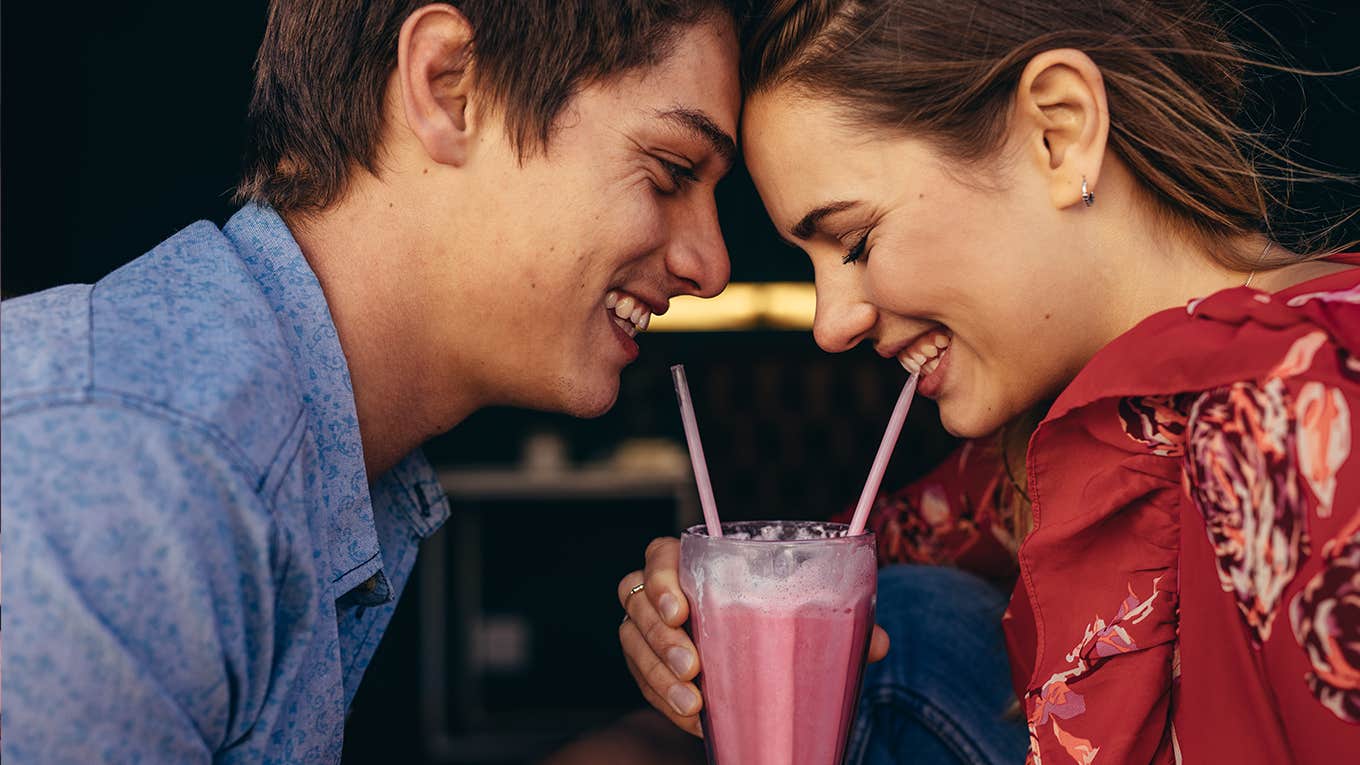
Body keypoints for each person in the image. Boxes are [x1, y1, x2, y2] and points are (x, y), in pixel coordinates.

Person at [605, 0, 1360, 763]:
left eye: (856, 240)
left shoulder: (1305, 411)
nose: (831, 325)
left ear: (1058, 133)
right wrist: (713, 594)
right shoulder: (1072, 434)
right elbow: (871, 546)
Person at [1, 1, 742, 761]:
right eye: (671, 170)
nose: (712, 266)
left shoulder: (274, 453)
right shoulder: (128, 474)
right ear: (450, 85)